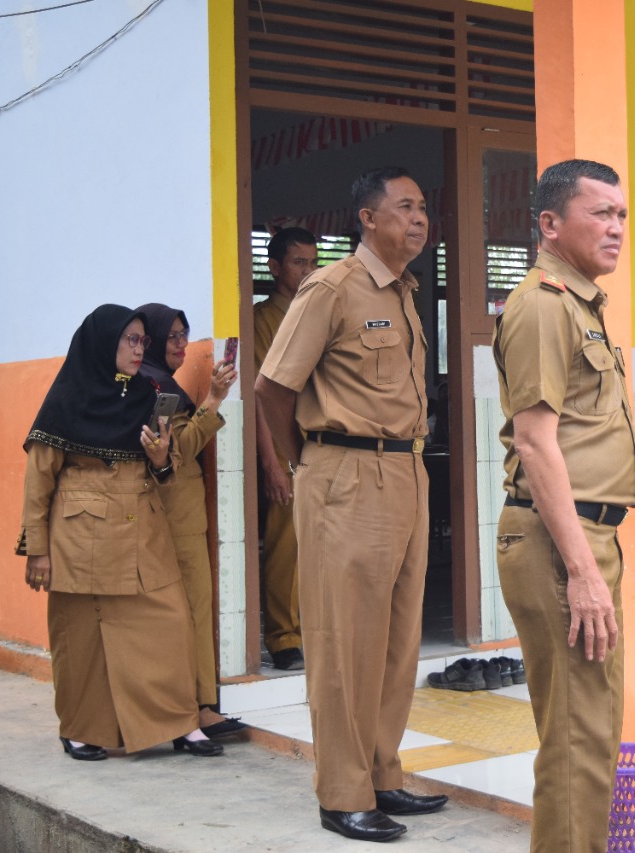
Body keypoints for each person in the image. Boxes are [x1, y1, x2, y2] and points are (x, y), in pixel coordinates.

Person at [255, 167, 447, 843]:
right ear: (368, 218)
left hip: (406, 472)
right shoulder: (332, 288)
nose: (419, 218)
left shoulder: (407, 292)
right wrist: (304, 461)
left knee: (397, 636)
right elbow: (273, 388)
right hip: (344, 472)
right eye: (404, 206)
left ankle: (382, 772)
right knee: (343, 639)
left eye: (423, 208)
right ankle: (343, 791)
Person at [492, 159, 635, 853]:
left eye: (621, 214)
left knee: (591, 727)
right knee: (579, 734)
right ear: (551, 223)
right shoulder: (544, 304)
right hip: (561, 542)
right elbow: (536, 441)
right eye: (601, 213)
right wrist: (581, 570)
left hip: (583, 537)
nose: (616, 228)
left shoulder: (580, 302)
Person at [18, 304, 224, 760]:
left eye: (141, 341)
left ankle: (178, 722)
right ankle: (80, 729)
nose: (139, 349)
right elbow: (39, 481)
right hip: (81, 535)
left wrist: (160, 458)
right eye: (130, 340)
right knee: (82, 639)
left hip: (143, 527)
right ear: (102, 344)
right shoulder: (65, 401)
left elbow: (165, 471)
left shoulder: (148, 396)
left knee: (169, 622)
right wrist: (38, 549)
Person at [135, 303, 245, 738]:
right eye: (173, 337)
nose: (182, 344)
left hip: (178, 513)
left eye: (186, 334)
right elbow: (177, 452)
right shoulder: (151, 385)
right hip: (175, 514)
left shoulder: (159, 382)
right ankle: (199, 707)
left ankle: (197, 705)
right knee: (192, 608)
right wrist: (214, 400)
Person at [252, 227, 318, 671]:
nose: (309, 270)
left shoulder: (317, 310)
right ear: (274, 267)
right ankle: (283, 637)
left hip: (321, 443)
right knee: (285, 546)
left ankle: (312, 630)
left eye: (314, 262)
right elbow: (259, 396)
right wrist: (271, 464)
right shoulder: (263, 320)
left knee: (319, 545)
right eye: (299, 263)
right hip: (282, 446)